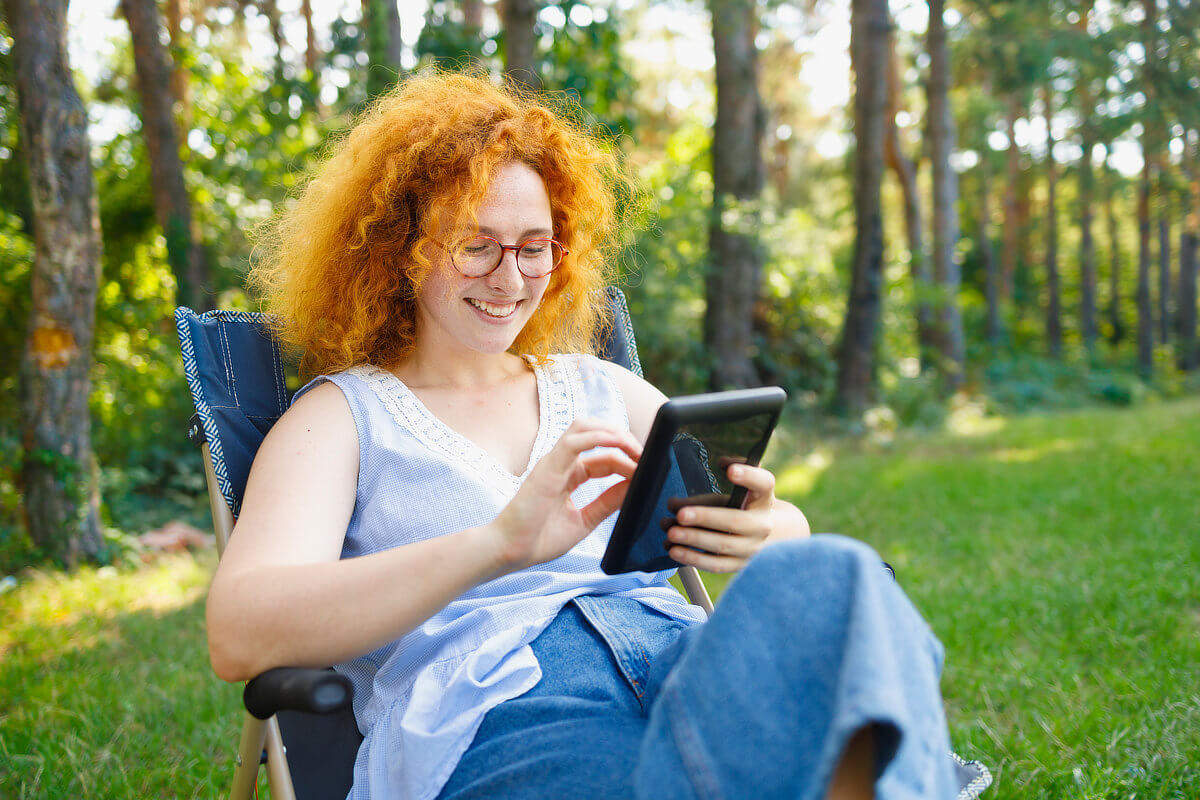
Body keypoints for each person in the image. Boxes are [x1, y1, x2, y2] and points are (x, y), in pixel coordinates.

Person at [206, 71, 970, 800]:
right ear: (401, 250)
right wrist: (500, 542)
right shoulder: (343, 418)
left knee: (842, 573)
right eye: (477, 244)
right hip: (502, 706)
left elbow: (789, 531)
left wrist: (756, 527)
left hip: (680, 663)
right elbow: (240, 632)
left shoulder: (599, 386)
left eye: (535, 246)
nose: (510, 279)